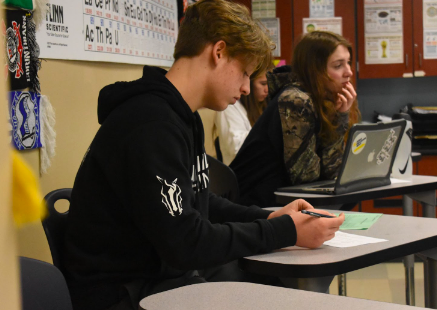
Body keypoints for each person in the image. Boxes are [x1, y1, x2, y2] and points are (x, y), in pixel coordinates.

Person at [62, 2, 344, 310]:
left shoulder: (183, 116)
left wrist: (270, 217)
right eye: (245, 72)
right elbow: (185, 243)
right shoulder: (150, 122)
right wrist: (287, 231)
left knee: (281, 283)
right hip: (122, 292)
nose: (247, 88)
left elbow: (198, 202)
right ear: (219, 52)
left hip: (159, 273)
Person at [230, 31, 361, 207]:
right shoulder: (295, 100)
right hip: (252, 206)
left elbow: (332, 172)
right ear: (315, 70)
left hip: (278, 203)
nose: (349, 72)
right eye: (338, 65)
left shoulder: (323, 100)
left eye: (348, 63)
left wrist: (340, 116)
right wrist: (339, 121)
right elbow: (306, 177)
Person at [214, 68, 271, 165]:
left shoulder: (264, 104)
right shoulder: (229, 107)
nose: (267, 89)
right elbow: (237, 148)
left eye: (268, 84)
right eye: (263, 84)